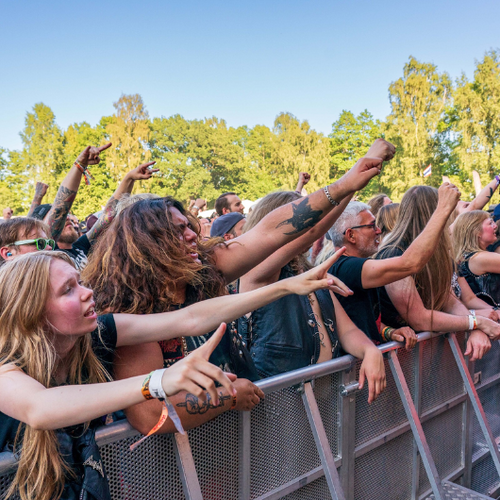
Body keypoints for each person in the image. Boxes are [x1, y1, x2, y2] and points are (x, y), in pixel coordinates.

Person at [0, 250, 341, 500]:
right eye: (68, 290)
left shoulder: (96, 334)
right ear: (32, 310)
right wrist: (158, 382)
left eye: (80, 282)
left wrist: (284, 288)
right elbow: (40, 409)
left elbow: (190, 319)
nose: (87, 292)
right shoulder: (5, 364)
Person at [83, 153, 388, 434]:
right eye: (178, 231)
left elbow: (270, 231)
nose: (193, 234)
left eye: (188, 226)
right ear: (148, 245)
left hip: (233, 445)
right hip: (173, 468)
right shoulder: (132, 311)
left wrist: (347, 184)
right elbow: (150, 415)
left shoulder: (203, 274)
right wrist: (228, 397)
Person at [238, 192, 386, 403]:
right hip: (276, 410)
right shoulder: (258, 274)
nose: (312, 229)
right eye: (305, 221)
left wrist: (369, 350)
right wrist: (350, 185)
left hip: (321, 405)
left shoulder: (310, 273)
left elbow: (348, 331)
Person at [327, 183, 459, 348]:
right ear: (351, 235)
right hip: (352, 369)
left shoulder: (352, 266)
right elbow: (410, 264)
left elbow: (358, 318)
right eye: (371, 226)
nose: (378, 230)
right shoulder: (347, 267)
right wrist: (442, 209)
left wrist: (388, 332)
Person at [376, 186, 499, 361]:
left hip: (428, 356)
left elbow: (449, 301)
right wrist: (476, 322)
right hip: (397, 358)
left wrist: (475, 325)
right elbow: (419, 318)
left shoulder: (437, 252)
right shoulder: (394, 254)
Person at [453, 210, 500, 307]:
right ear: (476, 231)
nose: (495, 226)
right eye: (490, 223)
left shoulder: (467, 256)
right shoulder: (480, 258)